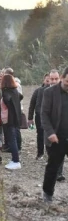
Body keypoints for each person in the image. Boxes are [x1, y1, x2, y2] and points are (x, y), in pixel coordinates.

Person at [41, 67, 68, 203]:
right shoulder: (50, 92)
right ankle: (47, 193)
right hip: (56, 137)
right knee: (53, 167)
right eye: (67, 81)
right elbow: (44, 115)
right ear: (62, 78)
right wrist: (50, 132)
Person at [1, 74, 23, 170]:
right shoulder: (15, 91)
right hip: (16, 118)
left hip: (9, 119)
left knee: (12, 140)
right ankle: (14, 159)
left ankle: (16, 160)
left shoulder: (6, 92)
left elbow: (7, 100)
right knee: (13, 139)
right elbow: (21, 97)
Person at [28, 73, 50, 160]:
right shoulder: (38, 91)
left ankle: (50, 153)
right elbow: (32, 104)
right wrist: (30, 118)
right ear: (43, 80)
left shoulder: (56, 91)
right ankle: (40, 153)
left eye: (50, 80)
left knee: (50, 135)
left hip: (51, 117)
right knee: (40, 134)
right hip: (39, 116)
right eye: (47, 80)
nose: (48, 82)